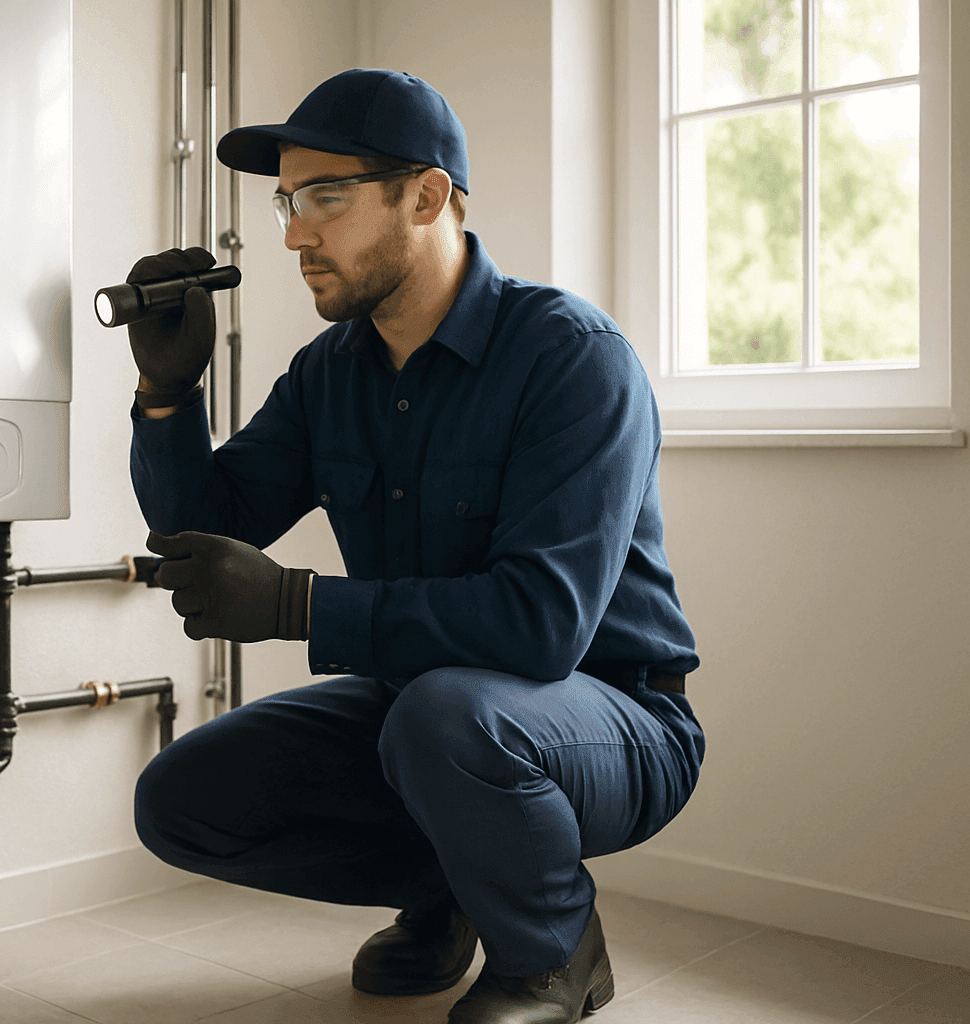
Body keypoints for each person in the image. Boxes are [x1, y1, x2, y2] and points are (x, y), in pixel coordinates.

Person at [124, 68, 706, 1024]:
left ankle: (554, 951)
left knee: (448, 717)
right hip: (426, 714)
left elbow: (540, 629)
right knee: (184, 797)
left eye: (325, 197)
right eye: (285, 201)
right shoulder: (330, 373)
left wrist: (298, 605)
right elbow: (206, 531)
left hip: (613, 719)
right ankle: (454, 893)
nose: (293, 232)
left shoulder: (572, 359)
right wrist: (166, 395)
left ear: (427, 195)